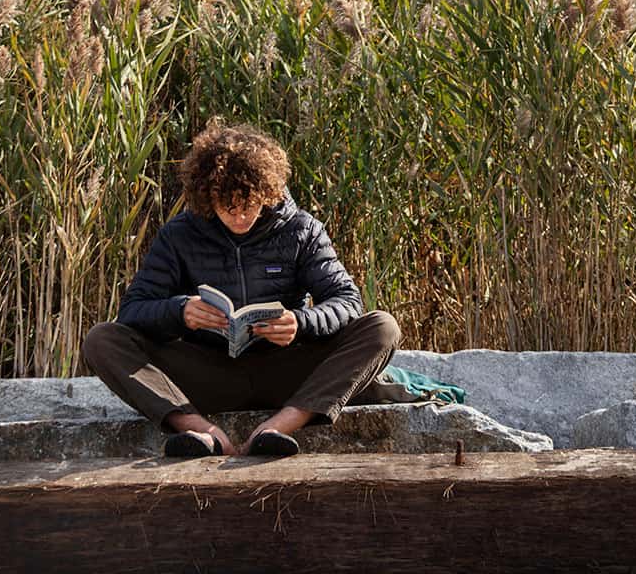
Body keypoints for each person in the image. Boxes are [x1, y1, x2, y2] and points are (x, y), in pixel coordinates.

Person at [82, 121, 402, 457]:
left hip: (286, 371)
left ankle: (277, 428)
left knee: (383, 327)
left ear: (267, 192)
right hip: (207, 374)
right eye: (226, 207)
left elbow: (348, 301)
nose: (239, 216)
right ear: (207, 197)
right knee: (101, 339)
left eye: (248, 204)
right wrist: (180, 311)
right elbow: (132, 310)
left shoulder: (301, 230)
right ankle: (202, 432)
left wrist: (300, 322)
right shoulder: (179, 235)